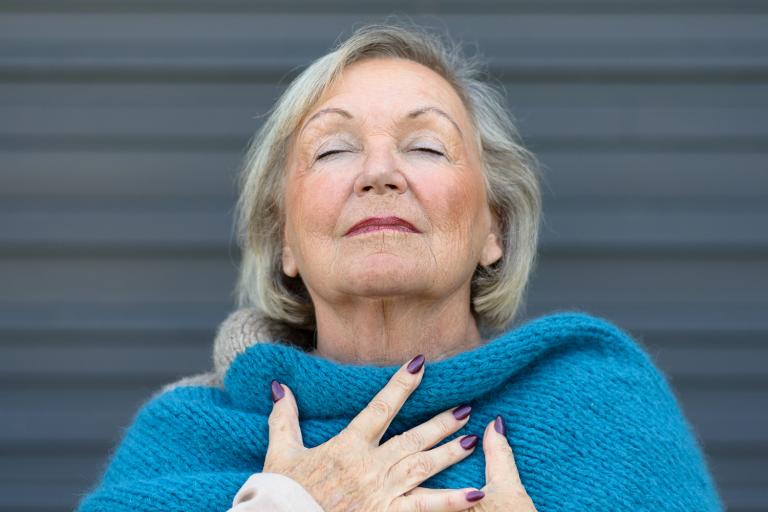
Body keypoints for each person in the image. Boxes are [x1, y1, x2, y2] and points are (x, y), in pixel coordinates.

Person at [75, 21, 724, 512]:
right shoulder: (186, 435)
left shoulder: (601, 409)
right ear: (285, 244)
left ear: (492, 229)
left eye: (425, 146)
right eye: (333, 150)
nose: (380, 174)